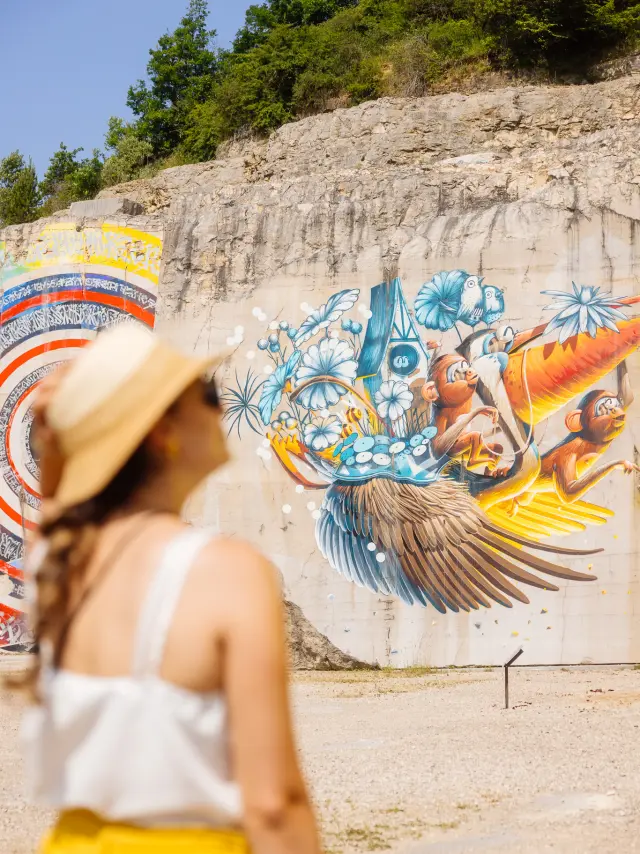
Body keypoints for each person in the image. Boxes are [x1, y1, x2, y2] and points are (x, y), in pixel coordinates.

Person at [19, 322, 321, 854]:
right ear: (163, 431)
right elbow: (273, 805)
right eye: (206, 394)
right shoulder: (226, 572)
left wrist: (61, 437)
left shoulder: (57, 562)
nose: (221, 407)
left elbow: (53, 510)